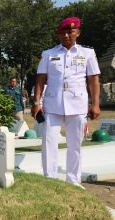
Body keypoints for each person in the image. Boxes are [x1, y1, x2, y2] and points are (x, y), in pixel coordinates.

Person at [32, 17, 100, 189]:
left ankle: (73, 180)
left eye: (70, 32)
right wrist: (36, 102)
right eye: (62, 33)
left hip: (77, 105)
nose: (66, 36)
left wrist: (96, 104)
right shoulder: (48, 54)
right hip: (53, 105)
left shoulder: (87, 54)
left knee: (75, 144)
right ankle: (50, 179)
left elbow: (93, 80)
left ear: (78, 33)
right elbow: (40, 79)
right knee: (48, 143)